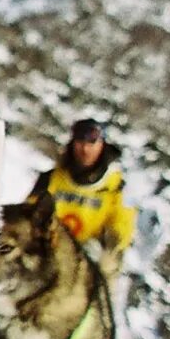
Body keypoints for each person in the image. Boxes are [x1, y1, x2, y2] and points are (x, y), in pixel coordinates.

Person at [30, 117, 135, 290]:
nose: (85, 148)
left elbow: (122, 229)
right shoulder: (51, 178)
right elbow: (29, 214)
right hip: (50, 253)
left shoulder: (118, 185)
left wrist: (102, 247)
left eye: (92, 142)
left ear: (102, 144)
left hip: (92, 259)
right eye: (80, 141)